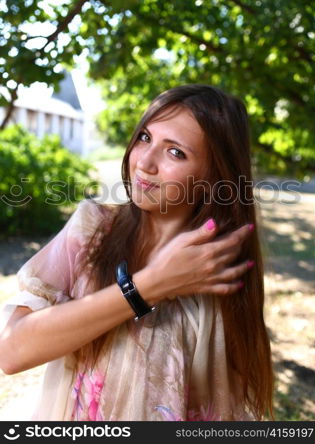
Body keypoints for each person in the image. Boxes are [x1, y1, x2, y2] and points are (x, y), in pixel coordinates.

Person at [0, 84, 273, 421]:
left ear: (214, 177)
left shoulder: (219, 268)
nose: (144, 162)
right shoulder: (92, 230)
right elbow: (11, 352)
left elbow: (221, 404)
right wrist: (148, 286)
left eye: (176, 152)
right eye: (144, 137)